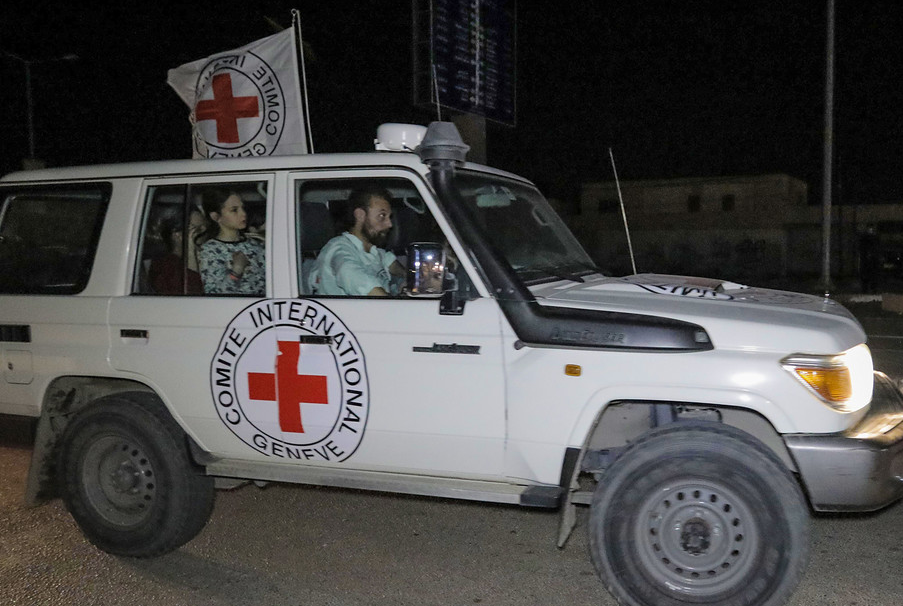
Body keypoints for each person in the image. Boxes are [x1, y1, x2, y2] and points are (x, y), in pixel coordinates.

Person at [309, 186, 405, 296]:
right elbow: (352, 275)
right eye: (382, 216)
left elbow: (391, 264)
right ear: (360, 215)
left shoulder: (373, 250)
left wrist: (409, 276)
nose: (389, 224)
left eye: (389, 217)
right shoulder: (339, 250)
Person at [197, 188, 265, 295]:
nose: (243, 214)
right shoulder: (209, 251)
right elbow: (213, 293)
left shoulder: (256, 244)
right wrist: (236, 271)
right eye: (234, 210)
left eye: (243, 208)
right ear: (216, 216)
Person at [149, 210, 204, 294]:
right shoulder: (166, 266)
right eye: (198, 230)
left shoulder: (205, 257)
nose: (204, 233)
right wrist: (190, 251)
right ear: (178, 235)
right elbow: (192, 295)